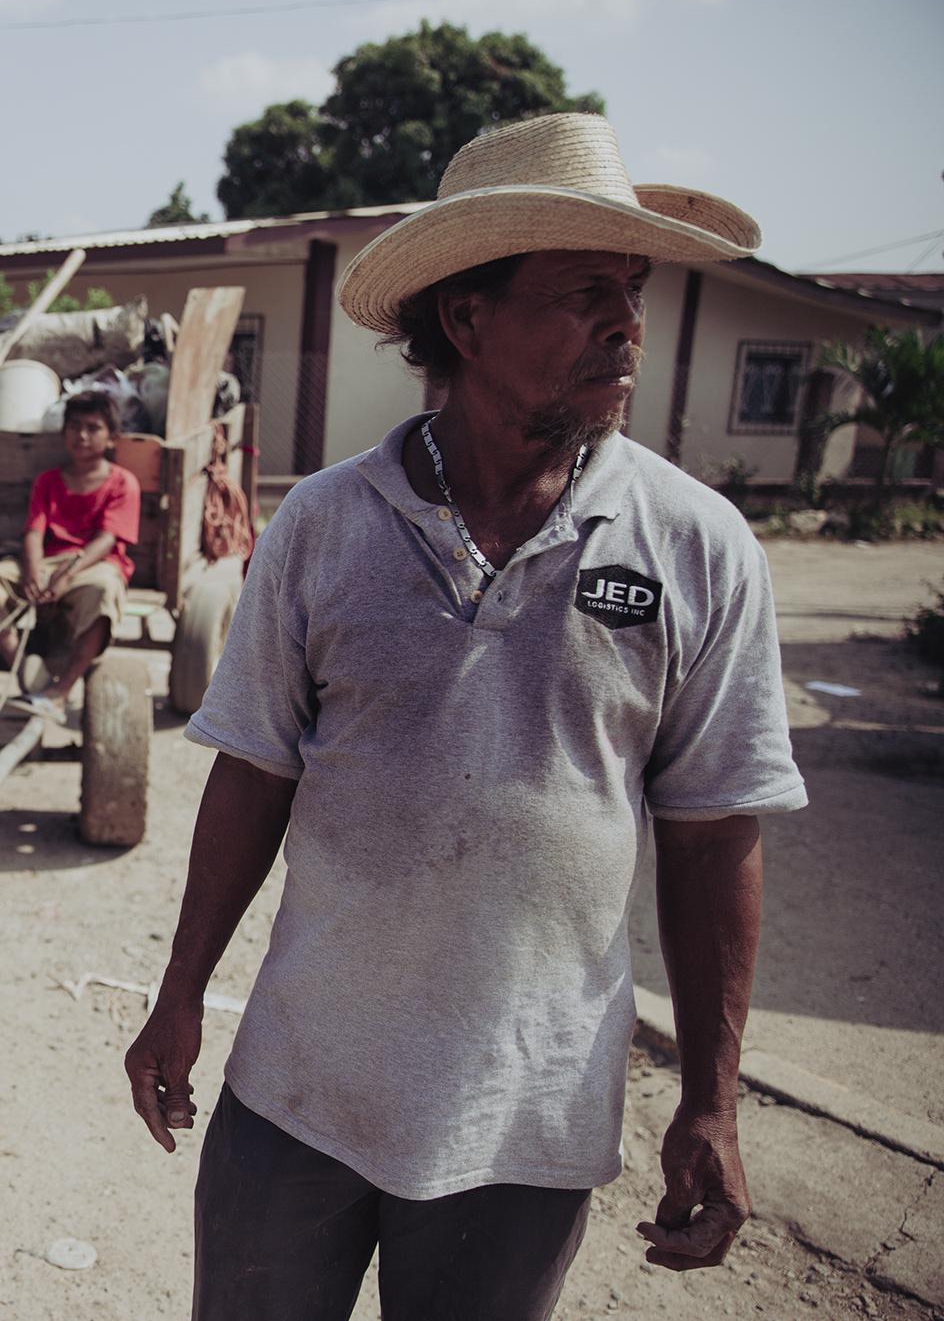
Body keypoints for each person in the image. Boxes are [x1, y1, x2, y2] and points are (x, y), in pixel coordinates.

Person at [123, 112, 804, 1321]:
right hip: (296, 1095)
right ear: (466, 317)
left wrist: (710, 1099)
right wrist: (179, 993)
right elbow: (252, 776)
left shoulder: (696, 546)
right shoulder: (325, 525)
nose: (625, 322)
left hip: (524, 1123)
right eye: (583, 289)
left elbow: (709, 838)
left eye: (631, 289)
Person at [0, 389, 140, 721]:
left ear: (112, 438)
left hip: (93, 564)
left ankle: (60, 691)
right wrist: (31, 574)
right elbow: (34, 533)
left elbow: (106, 540)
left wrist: (65, 575)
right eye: (74, 426)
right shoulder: (49, 481)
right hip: (48, 563)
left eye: (93, 428)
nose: (81, 435)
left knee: (104, 591)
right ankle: (25, 670)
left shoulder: (123, 482)